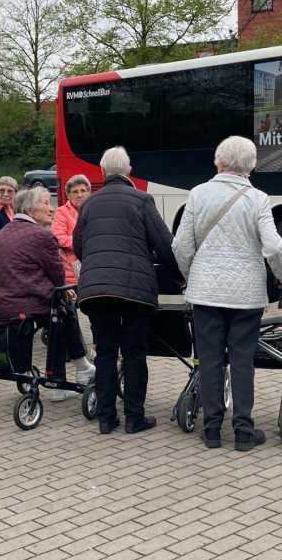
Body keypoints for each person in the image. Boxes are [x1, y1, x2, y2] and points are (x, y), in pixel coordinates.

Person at [172, 136, 282, 451]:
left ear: (218, 161)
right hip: (246, 296)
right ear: (251, 165)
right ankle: (243, 432)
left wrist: (188, 272)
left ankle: (211, 430)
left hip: (206, 293)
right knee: (242, 361)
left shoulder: (197, 195)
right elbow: (275, 247)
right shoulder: (259, 199)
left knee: (209, 360)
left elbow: (180, 245)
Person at [74, 146, 180, 435]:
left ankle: (106, 419)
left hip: (95, 291)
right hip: (134, 291)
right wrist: (179, 277)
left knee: (106, 353)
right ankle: (135, 417)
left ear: (102, 171)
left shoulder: (89, 205)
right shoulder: (142, 200)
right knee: (134, 353)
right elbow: (164, 245)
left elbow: (78, 246)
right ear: (129, 171)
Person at [0, 186, 96, 400]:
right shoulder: (41, 235)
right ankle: (72, 373)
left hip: (1, 304)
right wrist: (66, 292)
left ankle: (77, 369)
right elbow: (58, 276)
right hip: (25, 304)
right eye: (46, 203)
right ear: (30, 209)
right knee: (63, 311)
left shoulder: (5, 230)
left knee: (60, 307)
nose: (52, 209)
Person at [52, 174, 91, 284]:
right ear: (68, 195)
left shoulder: (95, 210)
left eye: (83, 190)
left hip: (93, 266)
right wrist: (85, 242)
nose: (80, 195)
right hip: (72, 273)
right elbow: (57, 237)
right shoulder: (61, 212)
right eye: (75, 192)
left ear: (89, 193)